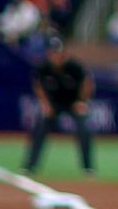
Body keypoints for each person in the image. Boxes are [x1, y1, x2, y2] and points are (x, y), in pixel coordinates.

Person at [23, 32, 95, 176]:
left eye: (58, 52)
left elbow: (87, 84)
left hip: (73, 103)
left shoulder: (74, 66)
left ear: (64, 53)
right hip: (54, 104)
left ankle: (88, 168)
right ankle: (30, 167)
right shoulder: (44, 67)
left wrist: (82, 102)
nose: (55, 56)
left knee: (84, 130)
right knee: (40, 129)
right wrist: (45, 104)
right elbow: (38, 85)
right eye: (52, 52)